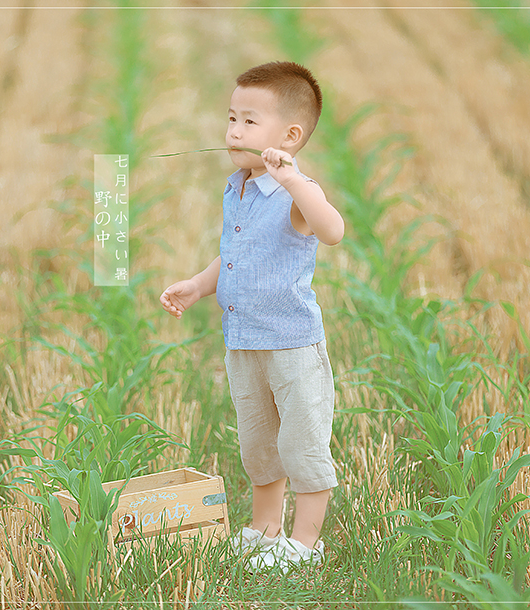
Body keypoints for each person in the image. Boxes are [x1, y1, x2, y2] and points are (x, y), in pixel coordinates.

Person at [160, 61, 344, 573]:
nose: (234, 132)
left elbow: (332, 230)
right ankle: (266, 531)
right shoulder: (236, 187)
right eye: (231, 118)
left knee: (301, 441)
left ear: (290, 135)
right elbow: (238, 253)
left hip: (290, 344)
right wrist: (200, 284)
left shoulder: (294, 193)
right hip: (243, 341)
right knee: (259, 443)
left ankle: (304, 545)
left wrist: (293, 178)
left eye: (248, 121)